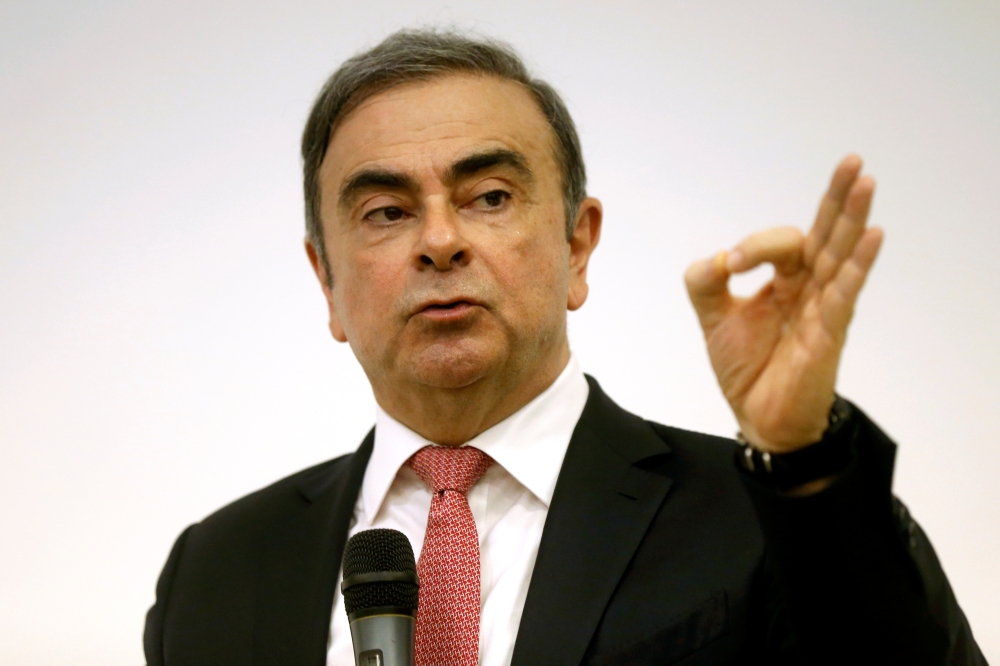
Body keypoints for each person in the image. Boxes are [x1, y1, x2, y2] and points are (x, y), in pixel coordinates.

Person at [143, 30, 985, 666]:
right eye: (387, 213)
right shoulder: (218, 571)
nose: (440, 241)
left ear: (577, 246)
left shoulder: (755, 520)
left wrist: (804, 458)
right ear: (326, 279)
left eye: (490, 196)